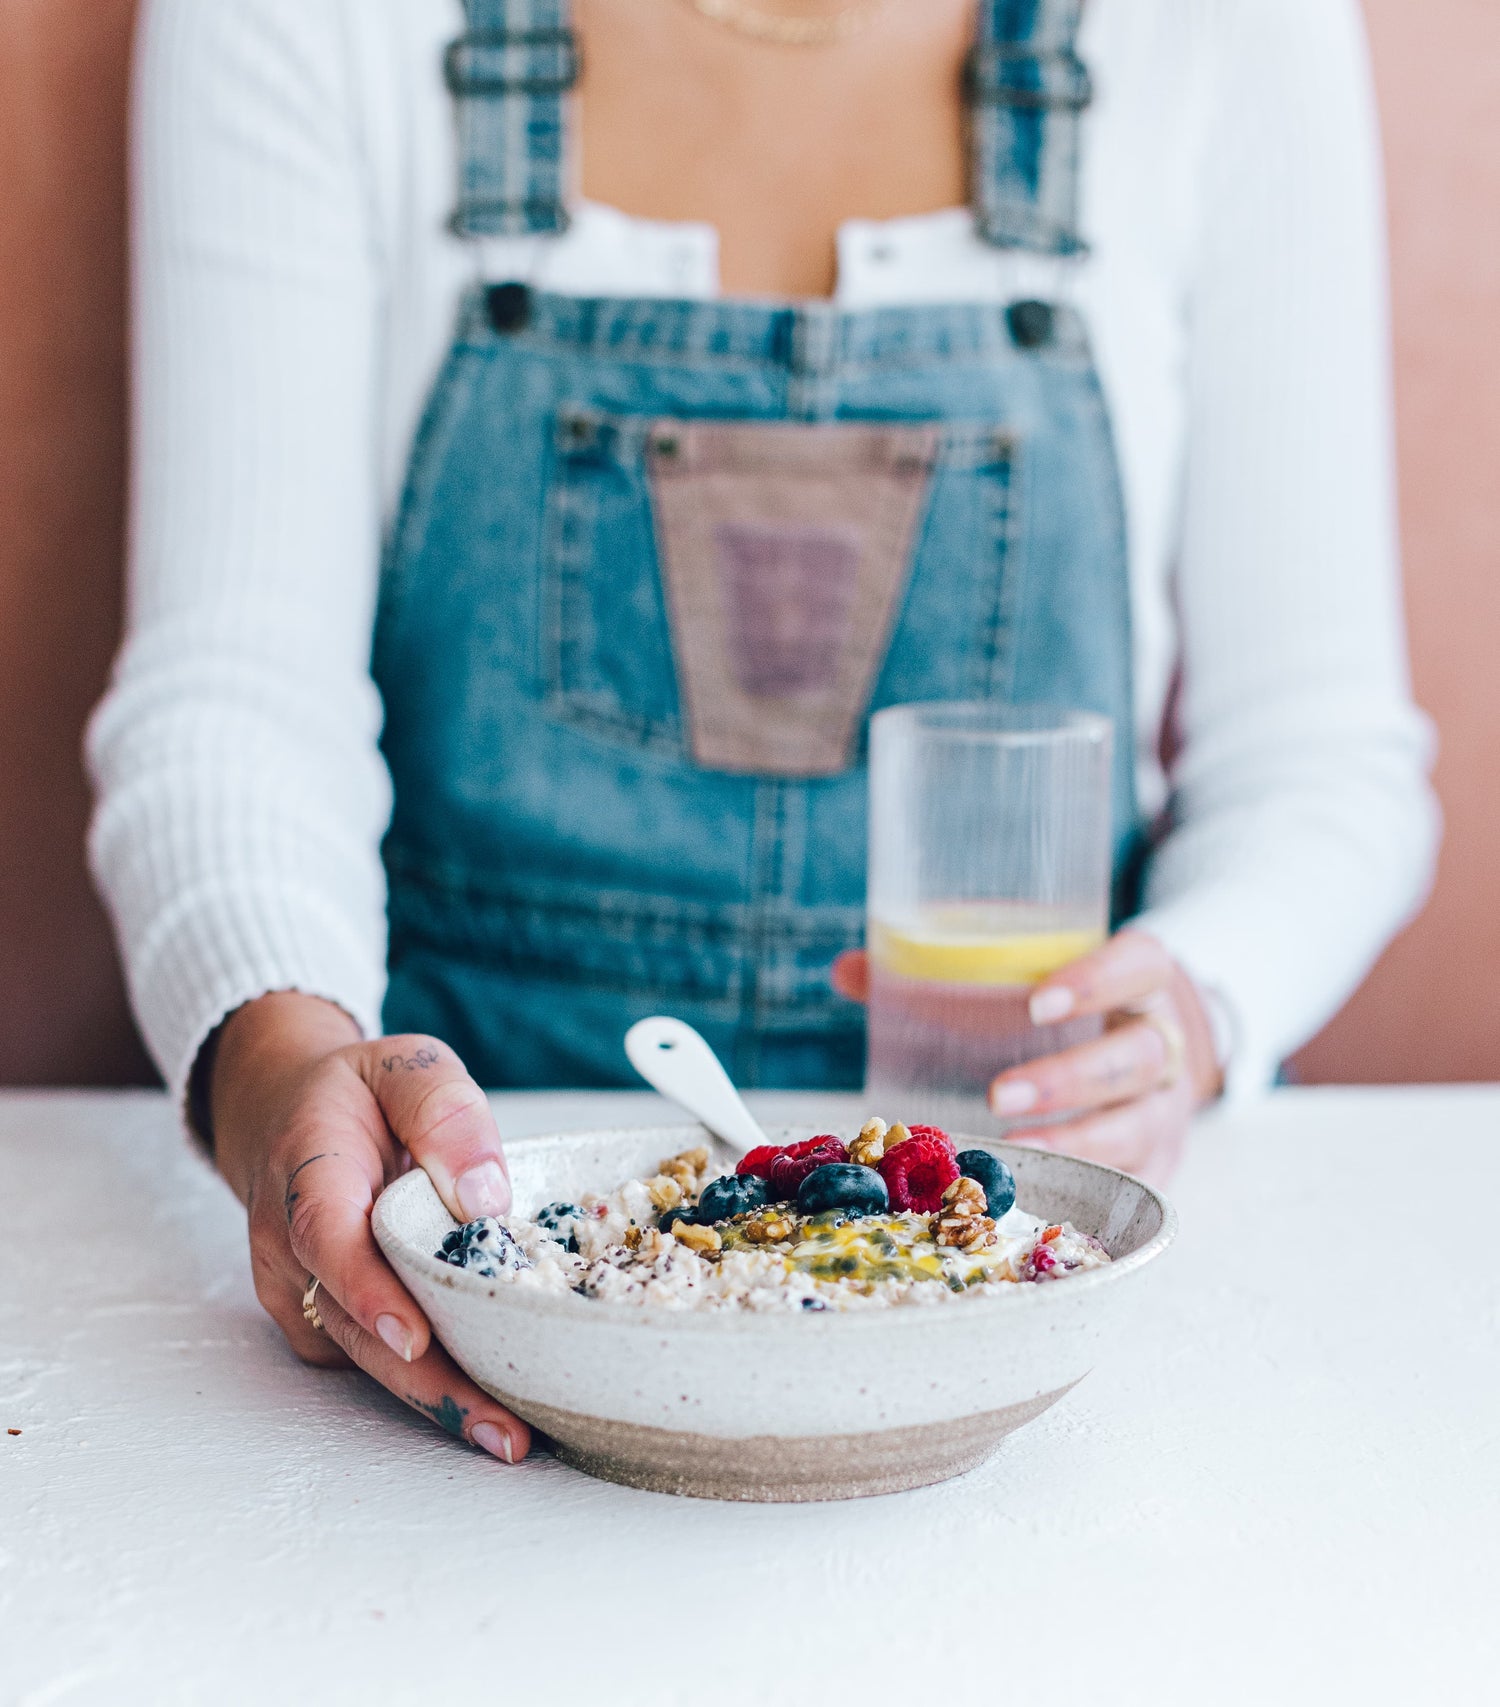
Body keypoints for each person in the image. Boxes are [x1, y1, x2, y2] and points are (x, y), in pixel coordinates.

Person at [89, 0, 1438, 1463]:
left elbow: (1320, 764)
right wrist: (283, 1072)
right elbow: (234, 701)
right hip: (487, 1205)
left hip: (1045, 1238)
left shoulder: (1229, 34)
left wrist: (1196, 1007)